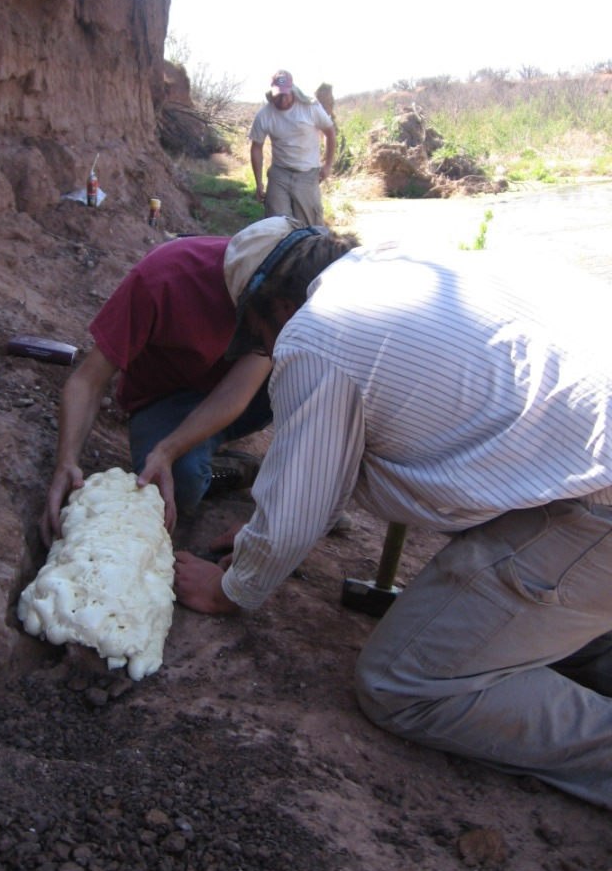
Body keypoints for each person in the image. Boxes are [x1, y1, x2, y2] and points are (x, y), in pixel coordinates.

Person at [173, 242, 612, 809]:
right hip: (588, 458)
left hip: (597, 504)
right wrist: (273, 524)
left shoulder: (317, 331)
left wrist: (233, 586)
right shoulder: (395, 263)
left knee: (402, 683)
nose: (266, 351)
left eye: (259, 336)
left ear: (279, 305)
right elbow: (334, 461)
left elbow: (304, 492)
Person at [39, 217, 358, 544]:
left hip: (242, 398)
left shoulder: (285, 290)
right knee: (182, 483)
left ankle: (293, 488)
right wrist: (66, 462)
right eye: (278, 333)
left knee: (318, 378)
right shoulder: (162, 279)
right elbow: (88, 382)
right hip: (166, 399)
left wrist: (171, 448)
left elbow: (236, 393)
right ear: (280, 306)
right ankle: (229, 469)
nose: (278, 348)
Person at [250, 69, 336, 227]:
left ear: (293, 90)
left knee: (311, 226)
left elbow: (330, 133)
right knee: (274, 225)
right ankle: (279, 250)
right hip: (279, 174)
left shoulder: (310, 107)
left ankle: (309, 250)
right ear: (272, 93)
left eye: (285, 95)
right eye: (278, 95)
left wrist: (327, 165)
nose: (282, 100)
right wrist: (259, 182)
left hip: (307, 174)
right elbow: (256, 147)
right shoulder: (264, 114)